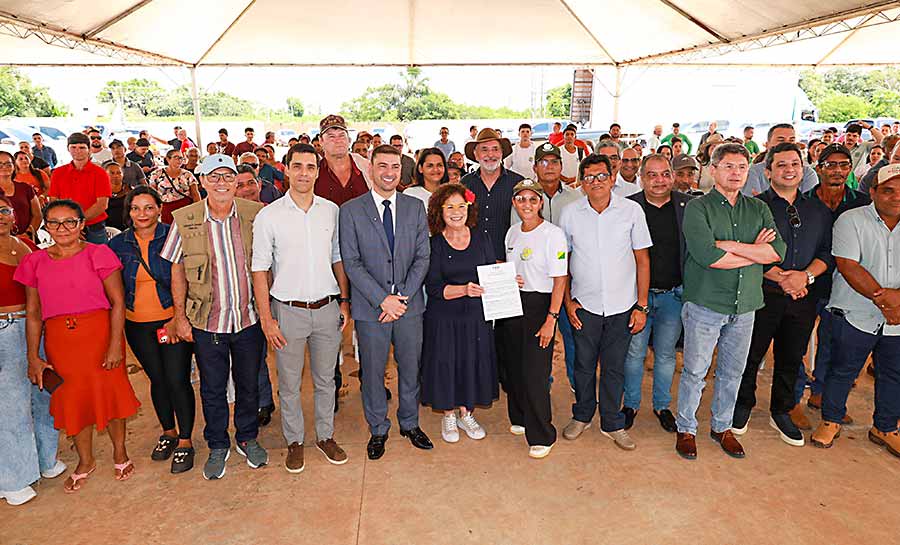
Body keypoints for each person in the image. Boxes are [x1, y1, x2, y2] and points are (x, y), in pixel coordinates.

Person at [16, 199, 141, 492]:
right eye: (55, 222)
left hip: (100, 336)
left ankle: (120, 452)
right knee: (72, 401)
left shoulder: (99, 254)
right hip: (60, 342)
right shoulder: (34, 261)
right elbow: (33, 314)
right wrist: (33, 356)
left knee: (110, 395)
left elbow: (118, 302)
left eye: (70, 221)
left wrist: (114, 346)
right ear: (45, 226)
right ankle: (85, 460)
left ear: (82, 224)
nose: (63, 228)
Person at [675, 143, 786, 461]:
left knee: (732, 371)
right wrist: (752, 251)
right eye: (728, 166)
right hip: (706, 303)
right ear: (713, 170)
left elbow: (776, 253)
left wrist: (732, 246)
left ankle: (722, 427)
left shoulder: (758, 209)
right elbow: (708, 256)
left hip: (746, 304)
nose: (736, 173)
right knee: (695, 371)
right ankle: (687, 428)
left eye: (741, 167)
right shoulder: (698, 208)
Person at [162, 154, 268, 480]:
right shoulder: (185, 218)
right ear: (202, 181)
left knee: (250, 385)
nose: (221, 182)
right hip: (207, 322)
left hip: (248, 319)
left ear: (237, 181)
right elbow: (176, 270)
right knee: (213, 387)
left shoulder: (256, 214)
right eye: (214, 176)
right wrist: (180, 316)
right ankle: (218, 443)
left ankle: (247, 436)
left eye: (227, 176)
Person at [252, 143, 352, 473]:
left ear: (318, 171)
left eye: (311, 167)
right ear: (286, 169)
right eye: (298, 166)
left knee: (327, 380)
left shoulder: (331, 211)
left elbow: (338, 257)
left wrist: (344, 300)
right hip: (288, 311)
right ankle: (294, 441)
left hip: (327, 308)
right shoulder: (269, 216)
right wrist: (267, 318)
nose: (304, 173)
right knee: (290, 383)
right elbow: (260, 269)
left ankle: (325, 436)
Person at [732, 143, 833, 447]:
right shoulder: (753, 206)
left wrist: (805, 277)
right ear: (768, 172)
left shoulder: (817, 209)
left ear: (803, 170)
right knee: (750, 354)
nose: (789, 170)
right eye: (781, 165)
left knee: (791, 357)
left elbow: (827, 252)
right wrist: (779, 276)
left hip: (803, 295)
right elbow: (746, 249)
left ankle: (782, 409)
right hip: (763, 294)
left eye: (795, 164)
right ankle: (742, 405)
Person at [338, 144, 433, 460]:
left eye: (395, 166)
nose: (389, 172)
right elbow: (351, 262)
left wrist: (401, 298)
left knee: (410, 368)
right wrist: (383, 300)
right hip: (371, 309)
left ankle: (410, 422)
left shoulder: (414, 207)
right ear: (370, 169)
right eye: (382, 166)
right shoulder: (351, 211)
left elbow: (423, 255)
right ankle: (378, 428)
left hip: (409, 307)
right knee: (373, 373)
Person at [560, 154, 651, 451]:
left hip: (622, 306)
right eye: (589, 178)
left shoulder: (632, 211)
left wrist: (641, 306)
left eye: (601, 176)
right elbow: (564, 261)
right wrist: (568, 302)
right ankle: (583, 415)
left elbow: (642, 260)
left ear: (612, 178)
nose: (596, 182)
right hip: (583, 306)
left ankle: (612, 422)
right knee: (583, 366)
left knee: (614, 368)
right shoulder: (571, 213)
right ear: (581, 183)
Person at [811, 164, 900, 456]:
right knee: (842, 370)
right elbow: (849, 266)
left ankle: (885, 427)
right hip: (855, 312)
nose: (896, 197)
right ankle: (831, 420)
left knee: (893, 373)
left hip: (898, 317)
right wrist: (886, 301)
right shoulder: (851, 220)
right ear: (872, 192)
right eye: (888, 190)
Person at [108, 187, 196, 473]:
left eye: (148, 208)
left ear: (160, 209)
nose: (142, 214)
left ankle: (185, 440)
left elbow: (185, 278)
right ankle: (168, 432)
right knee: (156, 380)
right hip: (137, 324)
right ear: (129, 211)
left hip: (170, 319)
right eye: (136, 208)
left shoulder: (174, 235)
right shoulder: (118, 244)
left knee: (177, 379)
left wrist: (178, 317)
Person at [421, 183, 499, 443]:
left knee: (471, 361)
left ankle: (466, 411)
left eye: (461, 206)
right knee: (446, 363)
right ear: (439, 211)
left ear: (469, 208)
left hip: (476, 316)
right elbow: (433, 288)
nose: (456, 212)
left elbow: (492, 272)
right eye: (449, 207)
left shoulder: (481, 237)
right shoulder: (434, 244)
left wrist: (509, 281)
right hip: (444, 317)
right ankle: (449, 414)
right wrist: (464, 289)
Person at [0, 194, 65, 506]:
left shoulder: (23, 244)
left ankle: (44, 460)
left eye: (3, 210)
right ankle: (12, 478)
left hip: (34, 327)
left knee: (43, 394)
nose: (0, 216)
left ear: (13, 213)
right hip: (5, 331)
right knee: (11, 406)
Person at [622, 154, 693, 433]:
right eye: (652, 175)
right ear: (642, 178)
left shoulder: (689, 207)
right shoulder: (628, 207)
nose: (659, 180)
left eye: (665, 174)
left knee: (665, 355)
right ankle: (631, 404)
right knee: (634, 353)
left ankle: (662, 406)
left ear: (673, 177)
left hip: (673, 296)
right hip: (637, 297)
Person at [496, 179, 567, 458]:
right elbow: (512, 267)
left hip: (540, 305)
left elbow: (560, 279)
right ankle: (520, 417)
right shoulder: (512, 233)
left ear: (540, 203)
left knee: (536, 372)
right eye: (521, 199)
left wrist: (551, 318)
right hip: (512, 303)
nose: (526, 204)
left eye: (532, 199)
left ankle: (542, 433)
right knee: (512, 365)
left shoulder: (553, 234)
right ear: (514, 203)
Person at [803, 144, 871, 418]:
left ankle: (821, 394)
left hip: (846, 284)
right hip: (808, 281)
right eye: (830, 165)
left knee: (833, 340)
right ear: (819, 168)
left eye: (844, 165)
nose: (838, 171)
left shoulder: (862, 202)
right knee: (795, 341)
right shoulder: (805, 201)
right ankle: (794, 397)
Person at [510, 143, 582, 390]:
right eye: (543, 162)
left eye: (554, 162)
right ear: (534, 167)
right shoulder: (523, 198)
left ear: (562, 166)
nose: (549, 167)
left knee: (572, 336)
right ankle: (544, 382)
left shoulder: (576, 198)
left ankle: (575, 383)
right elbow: (516, 242)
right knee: (539, 338)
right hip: (535, 287)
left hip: (569, 280)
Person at [462, 128, 524, 260]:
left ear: (502, 153)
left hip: (509, 258)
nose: (490, 155)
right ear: (475, 154)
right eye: (484, 149)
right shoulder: (465, 184)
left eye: (495, 149)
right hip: (472, 257)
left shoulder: (518, 183)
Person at [48, 133, 112, 244]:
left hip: (93, 227)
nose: (77, 151)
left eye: (82, 147)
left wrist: (77, 223)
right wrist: (69, 224)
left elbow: (102, 204)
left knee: (99, 259)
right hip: (65, 227)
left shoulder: (100, 173)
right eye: (73, 147)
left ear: (89, 149)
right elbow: (54, 201)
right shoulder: (58, 173)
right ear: (68, 149)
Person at [742, 124, 818, 196]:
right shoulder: (754, 171)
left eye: (792, 140)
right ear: (767, 145)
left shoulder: (808, 173)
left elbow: (809, 206)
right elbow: (752, 206)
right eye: (781, 140)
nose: (787, 144)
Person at [148, 149, 202, 224]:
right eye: (176, 157)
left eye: (181, 158)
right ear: (168, 159)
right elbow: (151, 195)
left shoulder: (187, 174)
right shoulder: (156, 174)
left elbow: (195, 194)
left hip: (185, 208)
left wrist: (198, 210)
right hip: (166, 210)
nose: (180, 160)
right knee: (169, 232)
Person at [1, 151, 41, 238]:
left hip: (26, 240)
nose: (4, 167)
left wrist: (28, 234)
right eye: (0, 164)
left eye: (8, 164)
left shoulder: (26, 188)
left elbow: (37, 215)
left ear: (14, 166)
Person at [102, 162, 130, 232]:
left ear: (123, 175)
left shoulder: (130, 191)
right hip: (104, 230)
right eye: (112, 173)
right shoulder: (99, 193)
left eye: (119, 173)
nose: (116, 176)